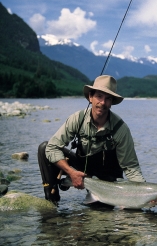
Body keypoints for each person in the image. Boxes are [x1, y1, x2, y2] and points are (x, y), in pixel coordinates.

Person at [38, 75, 146, 204]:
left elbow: (131, 167)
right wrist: (71, 172)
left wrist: (145, 195)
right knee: (44, 148)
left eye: (107, 99)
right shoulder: (77, 119)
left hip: (106, 180)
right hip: (80, 168)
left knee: (101, 213)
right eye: (99, 96)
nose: (102, 103)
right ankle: (51, 202)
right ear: (90, 97)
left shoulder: (120, 129)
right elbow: (52, 147)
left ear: (111, 102)